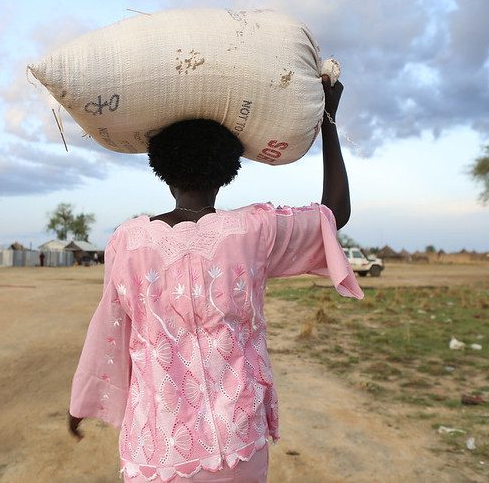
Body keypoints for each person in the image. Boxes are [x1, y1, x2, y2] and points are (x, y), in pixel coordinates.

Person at [68, 77, 362, 482]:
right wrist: (328, 119)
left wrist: (81, 402)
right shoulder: (254, 231)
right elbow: (335, 214)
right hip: (239, 440)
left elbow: (110, 327)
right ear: (226, 174)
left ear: (163, 173)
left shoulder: (127, 241)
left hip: (156, 446)